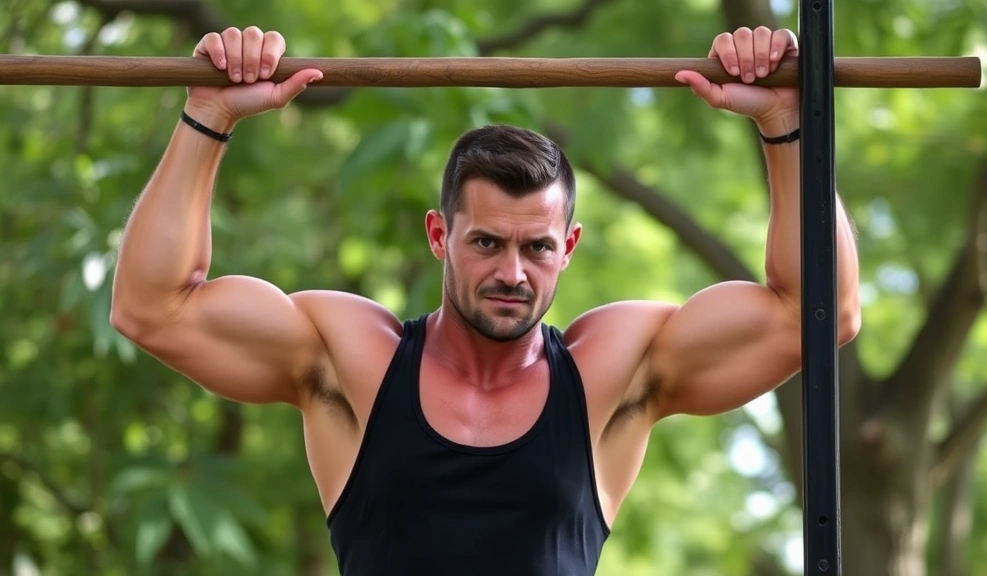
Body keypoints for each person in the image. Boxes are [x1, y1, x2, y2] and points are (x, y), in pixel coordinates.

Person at [110, 24, 861, 576]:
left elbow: (818, 313)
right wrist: (208, 114)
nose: (513, 272)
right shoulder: (353, 357)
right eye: (485, 244)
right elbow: (152, 309)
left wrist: (785, 122)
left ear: (566, 248)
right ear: (440, 236)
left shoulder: (613, 371)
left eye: (537, 247)